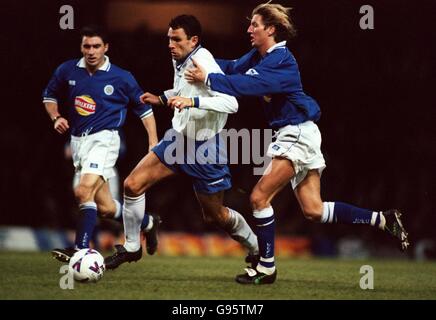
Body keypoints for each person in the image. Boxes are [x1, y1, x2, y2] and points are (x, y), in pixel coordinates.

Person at [185, 2, 410, 284]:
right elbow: (230, 68)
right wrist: (199, 58)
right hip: (298, 133)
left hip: (297, 133)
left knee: (258, 197)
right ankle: (383, 219)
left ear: (271, 29)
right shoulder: (259, 56)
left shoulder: (282, 60)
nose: (249, 29)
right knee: (314, 209)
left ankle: (266, 267)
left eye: (254, 24)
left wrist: (208, 78)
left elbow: (246, 86)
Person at [104, 15, 259, 270]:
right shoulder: (180, 58)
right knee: (132, 185)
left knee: (215, 215)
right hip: (178, 141)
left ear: (193, 40)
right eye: (169, 39)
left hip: (205, 148)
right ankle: (132, 247)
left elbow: (232, 103)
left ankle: (256, 248)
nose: (170, 44)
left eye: (176, 39)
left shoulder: (204, 61)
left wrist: (193, 102)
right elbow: (183, 90)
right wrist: (163, 98)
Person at [43, 26, 160, 262]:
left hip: (105, 139)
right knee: (105, 208)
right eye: (87, 46)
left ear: (106, 48)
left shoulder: (121, 77)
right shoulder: (67, 70)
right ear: (81, 47)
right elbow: (49, 96)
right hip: (78, 142)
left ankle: (81, 251)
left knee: (83, 190)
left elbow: (144, 110)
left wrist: (153, 141)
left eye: (96, 46)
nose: (91, 51)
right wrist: (56, 117)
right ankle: (148, 222)